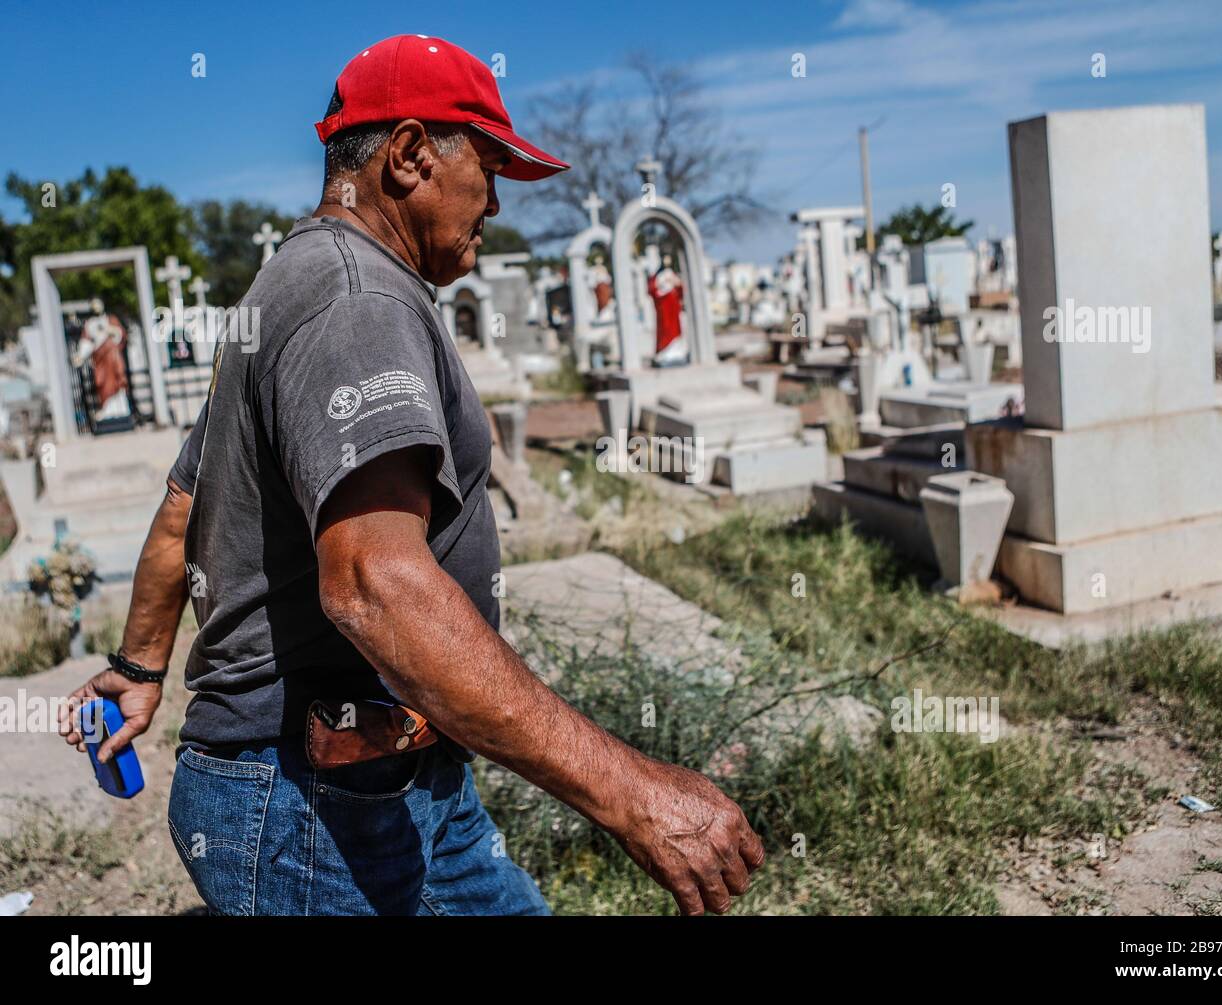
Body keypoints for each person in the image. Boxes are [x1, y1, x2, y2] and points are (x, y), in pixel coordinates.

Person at [59, 33, 763, 917]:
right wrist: (635, 794)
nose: (497, 201)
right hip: (316, 811)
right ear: (410, 155)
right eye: (489, 169)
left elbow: (183, 505)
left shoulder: (289, 284)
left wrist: (138, 664)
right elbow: (373, 584)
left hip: (393, 776)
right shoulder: (357, 300)